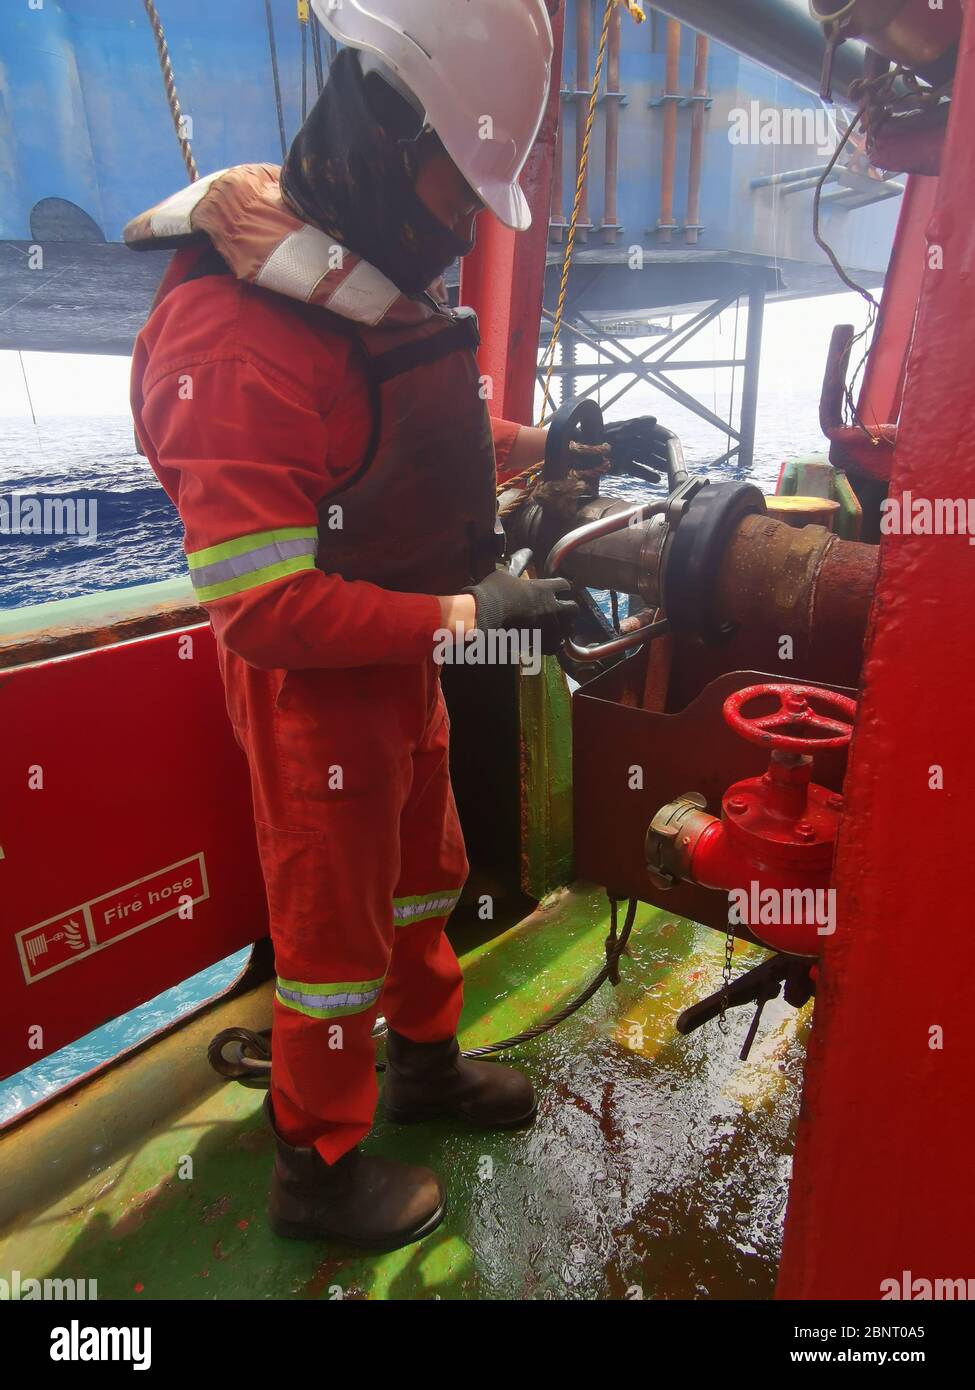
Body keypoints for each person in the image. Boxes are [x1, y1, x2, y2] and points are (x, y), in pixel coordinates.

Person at [128, 0, 575, 1250]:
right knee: (330, 940)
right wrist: (466, 612)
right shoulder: (229, 337)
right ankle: (317, 1169)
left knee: (427, 876)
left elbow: (396, 424)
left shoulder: (341, 269)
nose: (456, 224)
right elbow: (264, 607)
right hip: (317, 683)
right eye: (453, 191)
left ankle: (424, 1069)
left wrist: (546, 444)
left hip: (397, 657)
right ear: (389, 134)